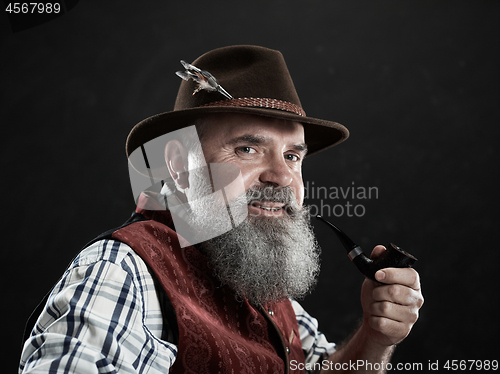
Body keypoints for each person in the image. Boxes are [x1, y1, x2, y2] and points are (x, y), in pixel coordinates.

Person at [19, 45, 423, 374]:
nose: (281, 177)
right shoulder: (124, 273)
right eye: (247, 149)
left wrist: (373, 338)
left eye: (293, 156)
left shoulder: (269, 293)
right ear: (179, 166)